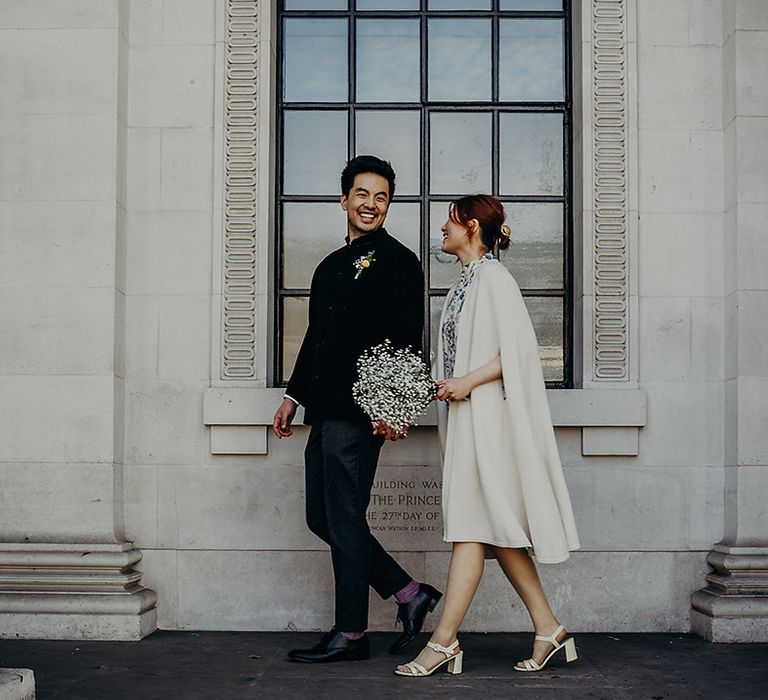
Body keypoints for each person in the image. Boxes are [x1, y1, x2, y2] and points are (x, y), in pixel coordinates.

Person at [395, 195, 580, 678]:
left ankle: (444, 641)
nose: (442, 227)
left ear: (471, 227)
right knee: (493, 527)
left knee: (471, 527)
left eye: (449, 221)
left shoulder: (495, 278)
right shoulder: (467, 280)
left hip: (487, 421)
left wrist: (466, 382)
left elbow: (517, 354)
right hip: (466, 418)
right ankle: (549, 629)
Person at [273, 155, 442, 664]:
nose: (371, 204)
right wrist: (292, 396)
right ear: (344, 199)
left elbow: (408, 339)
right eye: (363, 194)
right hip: (323, 410)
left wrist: (395, 406)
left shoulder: (399, 261)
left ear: (389, 205)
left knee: (344, 517)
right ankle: (411, 594)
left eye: (382, 196)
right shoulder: (328, 265)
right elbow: (316, 340)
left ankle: (350, 633)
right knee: (322, 516)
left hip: (362, 410)